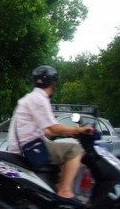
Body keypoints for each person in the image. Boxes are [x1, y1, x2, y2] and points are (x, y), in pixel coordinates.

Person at [7, 65, 94, 200]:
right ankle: (64, 191)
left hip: (26, 145)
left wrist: (68, 132)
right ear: (52, 83)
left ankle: (56, 188)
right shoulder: (40, 99)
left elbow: (48, 130)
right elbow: (53, 128)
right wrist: (79, 129)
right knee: (74, 149)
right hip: (31, 147)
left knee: (64, 148)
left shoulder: (31, 98)